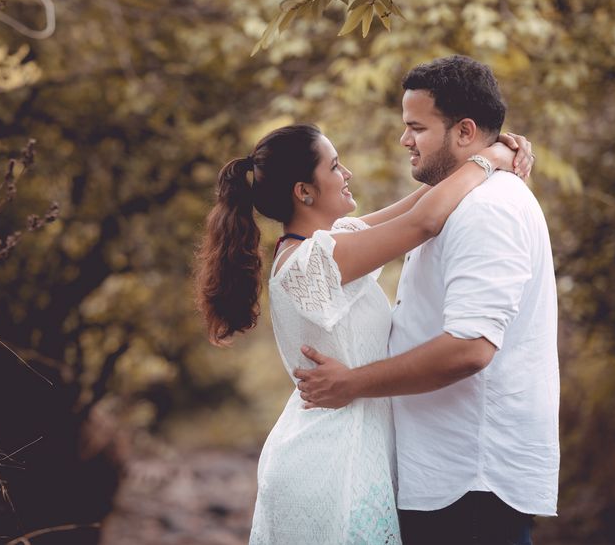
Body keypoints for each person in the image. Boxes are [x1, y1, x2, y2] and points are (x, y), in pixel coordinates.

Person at [193, 117, 533, 544]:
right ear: (304, 191)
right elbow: (422, 223)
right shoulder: (316, 260)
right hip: (332, 463)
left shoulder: (327, 246)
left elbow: (417, 204)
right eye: (335, 167)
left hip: (349, 452)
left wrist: (478, 152)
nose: (347, 173)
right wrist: (491, 159)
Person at [294, 55, 559, 545]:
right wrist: (488, 156)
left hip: (471, 481)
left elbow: (470, 348)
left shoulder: (487, 209)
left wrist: (352, 384)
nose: (404, 140)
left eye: (416, 127)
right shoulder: (456, 200)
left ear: (463, 131)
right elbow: (412, 221)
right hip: (443, 476)